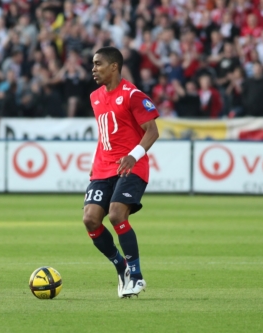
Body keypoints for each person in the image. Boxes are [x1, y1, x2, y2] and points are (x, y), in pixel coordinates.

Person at [84, 46, 159, 298]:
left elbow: (152, 130)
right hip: (103, 168)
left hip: (132, 166)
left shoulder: (132, 95)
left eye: (98, 64)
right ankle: (121, 267)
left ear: (114, 66)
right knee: (90, 220)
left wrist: (133, 155)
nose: (93, 69)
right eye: (93, 64)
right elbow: (104, 136)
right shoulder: (95, 97)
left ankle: (136, 277)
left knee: (116, 215)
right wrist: (96, 164)